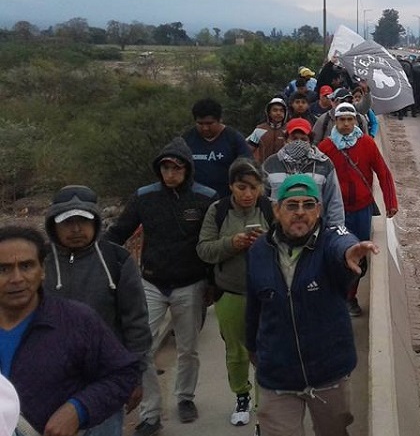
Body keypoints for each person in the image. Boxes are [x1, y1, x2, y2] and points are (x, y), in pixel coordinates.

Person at [245, 175, 379, 436]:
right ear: (276, 209)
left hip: (328, 372)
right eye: (292, 205)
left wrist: (349, 254)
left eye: (308, 205)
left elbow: (343, 244)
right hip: (277, 375)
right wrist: (252, 347)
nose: (300, 213)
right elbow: (253, 308)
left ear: (319, 210)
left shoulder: (329, 239)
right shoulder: (259, 251)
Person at [104, 137, 217, 435]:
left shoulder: (206, 198)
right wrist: (99, 260)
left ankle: (185, 398)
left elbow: (212, 245)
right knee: (143, 348)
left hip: (190, 284)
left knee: (188, 348)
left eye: (177, 168)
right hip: (151, 282)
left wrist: (211, 283)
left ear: (188, 169)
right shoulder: (144, 197)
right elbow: (118, 233)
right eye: (165, 167)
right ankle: (150, 412)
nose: (170, 173)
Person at [0, 225, 141, 436]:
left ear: (42, 271)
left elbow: (122, 374)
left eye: (27, 266)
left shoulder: (76, 321)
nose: (17, 278)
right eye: (4, 269)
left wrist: (78, 409)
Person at [43, 185, 152, 436]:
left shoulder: (117, 261)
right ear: (53, 225)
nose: (76, 229)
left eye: (84, 220)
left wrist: (136, 376)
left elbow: (136, 323)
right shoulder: (38, 264)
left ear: (96, 222)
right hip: (51, 382)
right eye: (67, 222)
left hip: (105, 381)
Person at [197, 159, 274, 427]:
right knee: (237, 351)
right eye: (241, 187)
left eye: (254, 187)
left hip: (266, 294)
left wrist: (265, 241)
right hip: (229, 293)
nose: (248, 194)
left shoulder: (268, 208)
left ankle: (264, 405)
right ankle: (241, 395)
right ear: (231, 186)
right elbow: (204, 249)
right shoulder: (217, 211)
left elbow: (286, 245)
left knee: (266, 351)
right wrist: (232, 243)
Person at [318, 102, 399, 317]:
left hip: (362, 209)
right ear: (335, 121)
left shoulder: (366, 144)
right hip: (335, 213)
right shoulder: (325, 148)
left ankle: (350, 296)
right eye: (341, 120)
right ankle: (338, 295)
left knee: (359, 254)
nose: (345, 124)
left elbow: (383, 172)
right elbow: (316, 180)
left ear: (356, 121)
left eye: (349, 119)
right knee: (336, 253)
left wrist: (391, 202)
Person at [262, 117, 345, 228]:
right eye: (294, 138)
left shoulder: (324, 164)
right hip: (279, 230)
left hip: (315, 230)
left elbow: (334, 201)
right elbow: (262, 199)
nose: (299, 143)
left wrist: (336, 230)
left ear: (310, 141)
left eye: (303, 139)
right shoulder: (271, 164)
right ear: (286, 139)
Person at [182, 97, 253, 199]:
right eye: (200, 123)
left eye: (209, 123)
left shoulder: (234, 139)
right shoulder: (187, 139)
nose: (205, 128)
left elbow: (248, 169)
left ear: (220, 120)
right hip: (195, 200)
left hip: (226, 201)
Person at [246, 97, 289, 164]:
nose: (278, 113)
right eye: (275, 110)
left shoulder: (289, 129)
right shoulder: (259, 129)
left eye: (281, 111)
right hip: (264, 169)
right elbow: (248, 150)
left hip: (284, 169)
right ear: (269, 113)